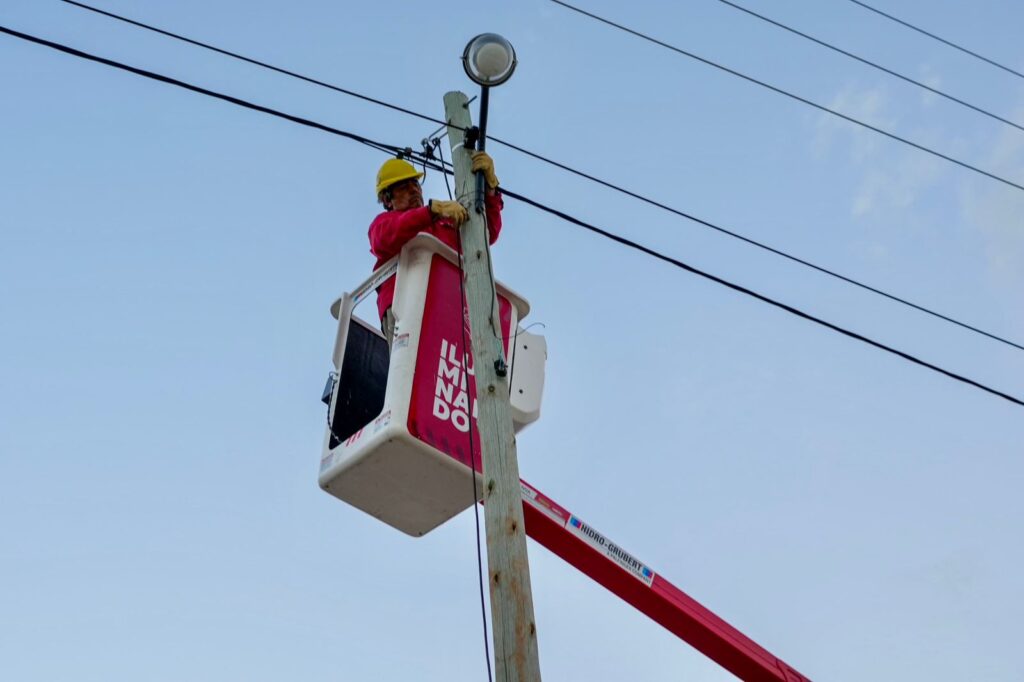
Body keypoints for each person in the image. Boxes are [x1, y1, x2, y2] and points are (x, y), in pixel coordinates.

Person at [368, 153, 503, 344]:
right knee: (412, 360)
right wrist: (431, 211)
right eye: (404, 187)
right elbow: (383, 238)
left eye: (416, 184)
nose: (414, 190)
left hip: (447, 303)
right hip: (405, 303)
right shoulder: (385, 223)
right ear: (387, 200)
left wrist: (490, 189)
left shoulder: (442, 224)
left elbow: (484, 234)